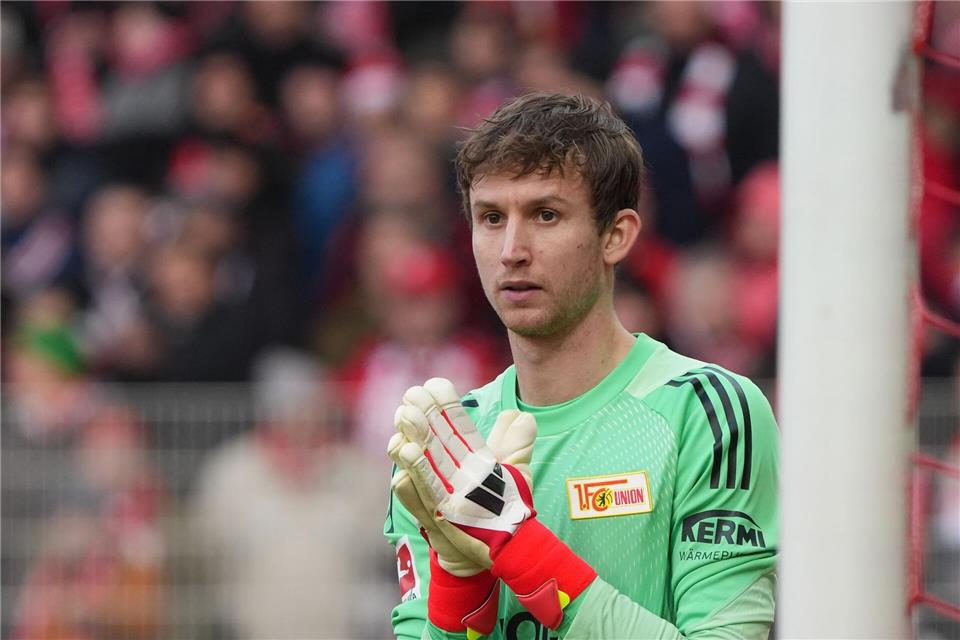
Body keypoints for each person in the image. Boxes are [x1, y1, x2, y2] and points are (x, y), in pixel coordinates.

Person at [384, 92, 779, 640]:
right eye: (492, 218)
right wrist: (461, 589)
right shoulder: (449, 442)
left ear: (616, 235)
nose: (512, 250)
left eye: (546, 214)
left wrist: (520, 549)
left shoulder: (707, 412)